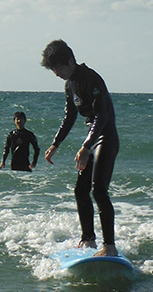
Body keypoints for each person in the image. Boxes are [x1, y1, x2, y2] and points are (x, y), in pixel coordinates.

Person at [42, 39, 120, 257]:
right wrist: (55, 144)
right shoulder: (70, 85)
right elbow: (70, 116)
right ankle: (88, 241)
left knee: (99, 190)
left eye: (58, 68)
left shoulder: (91, 79)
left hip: (106, 137)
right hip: (92, 139)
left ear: (70, 61)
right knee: (80, 190)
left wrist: (86, 145)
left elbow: (102, 116)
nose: (56, 73)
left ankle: (110, 247)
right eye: (53, 70)